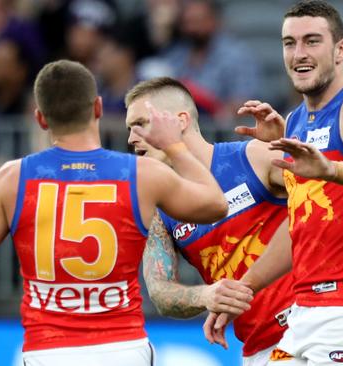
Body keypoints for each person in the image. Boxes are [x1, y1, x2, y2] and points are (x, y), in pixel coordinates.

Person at [0, 60, 228, 366]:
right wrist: (175, 146)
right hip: (124, 349)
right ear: (97, 108)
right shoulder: (141, 174)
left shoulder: (12, 179)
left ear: (40, 119)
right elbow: (216, 204)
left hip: (47, 351)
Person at [205, 1, 343, 365]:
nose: (298, 53)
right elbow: (300, 223)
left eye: (312, 41)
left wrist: (331, 170)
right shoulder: (297, 119)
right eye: (290, 43)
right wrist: (244, 289)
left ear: (341, 49)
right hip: (304, 312)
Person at [125, 76, 296, 365]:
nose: (131, 139)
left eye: (142, 123)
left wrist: (291, 140)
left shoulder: (252, 158)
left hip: (310, 325)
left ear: (180, 121)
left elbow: (328, 198)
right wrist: (205, 295)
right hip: (259, 349)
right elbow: (159, 291)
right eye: (129, 129)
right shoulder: (160, 211)